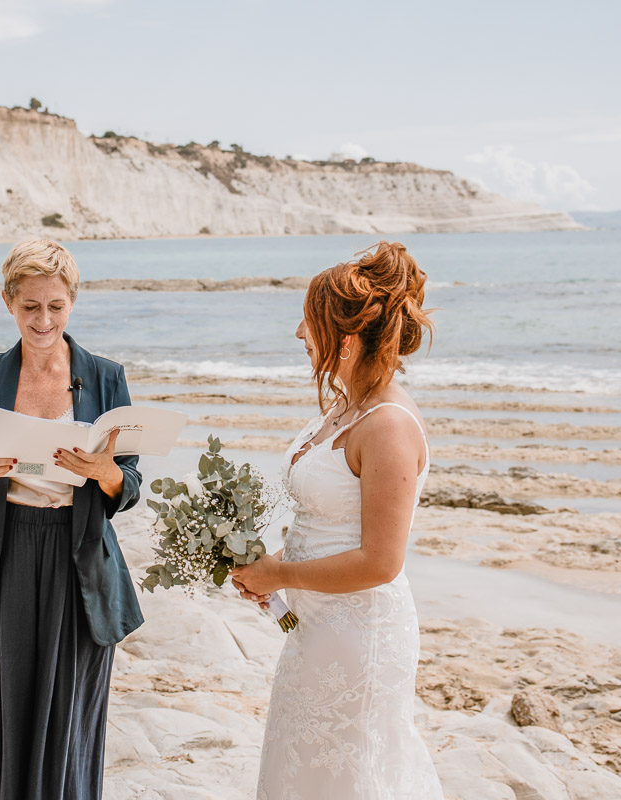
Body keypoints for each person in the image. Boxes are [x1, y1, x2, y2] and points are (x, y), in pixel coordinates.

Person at [230, 240, 443, 798]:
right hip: (314, 627)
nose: (300, 334)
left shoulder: (387, 426)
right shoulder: (345, 406)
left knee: (348, 778)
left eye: (309, 322)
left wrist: (280, 574)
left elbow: (381, 562)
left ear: (345, 339)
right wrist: (267, 571)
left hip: (360, 634)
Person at [0, 239, 145, 799]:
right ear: (8, 302)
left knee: (71, 716)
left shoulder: (106, 377)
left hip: (78, 557)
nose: (43, 319)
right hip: (5, 556)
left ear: (72, 303)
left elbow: (128, 484)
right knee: (6, 713)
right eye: (30, 306)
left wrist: (106, 472)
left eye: (55, 306)